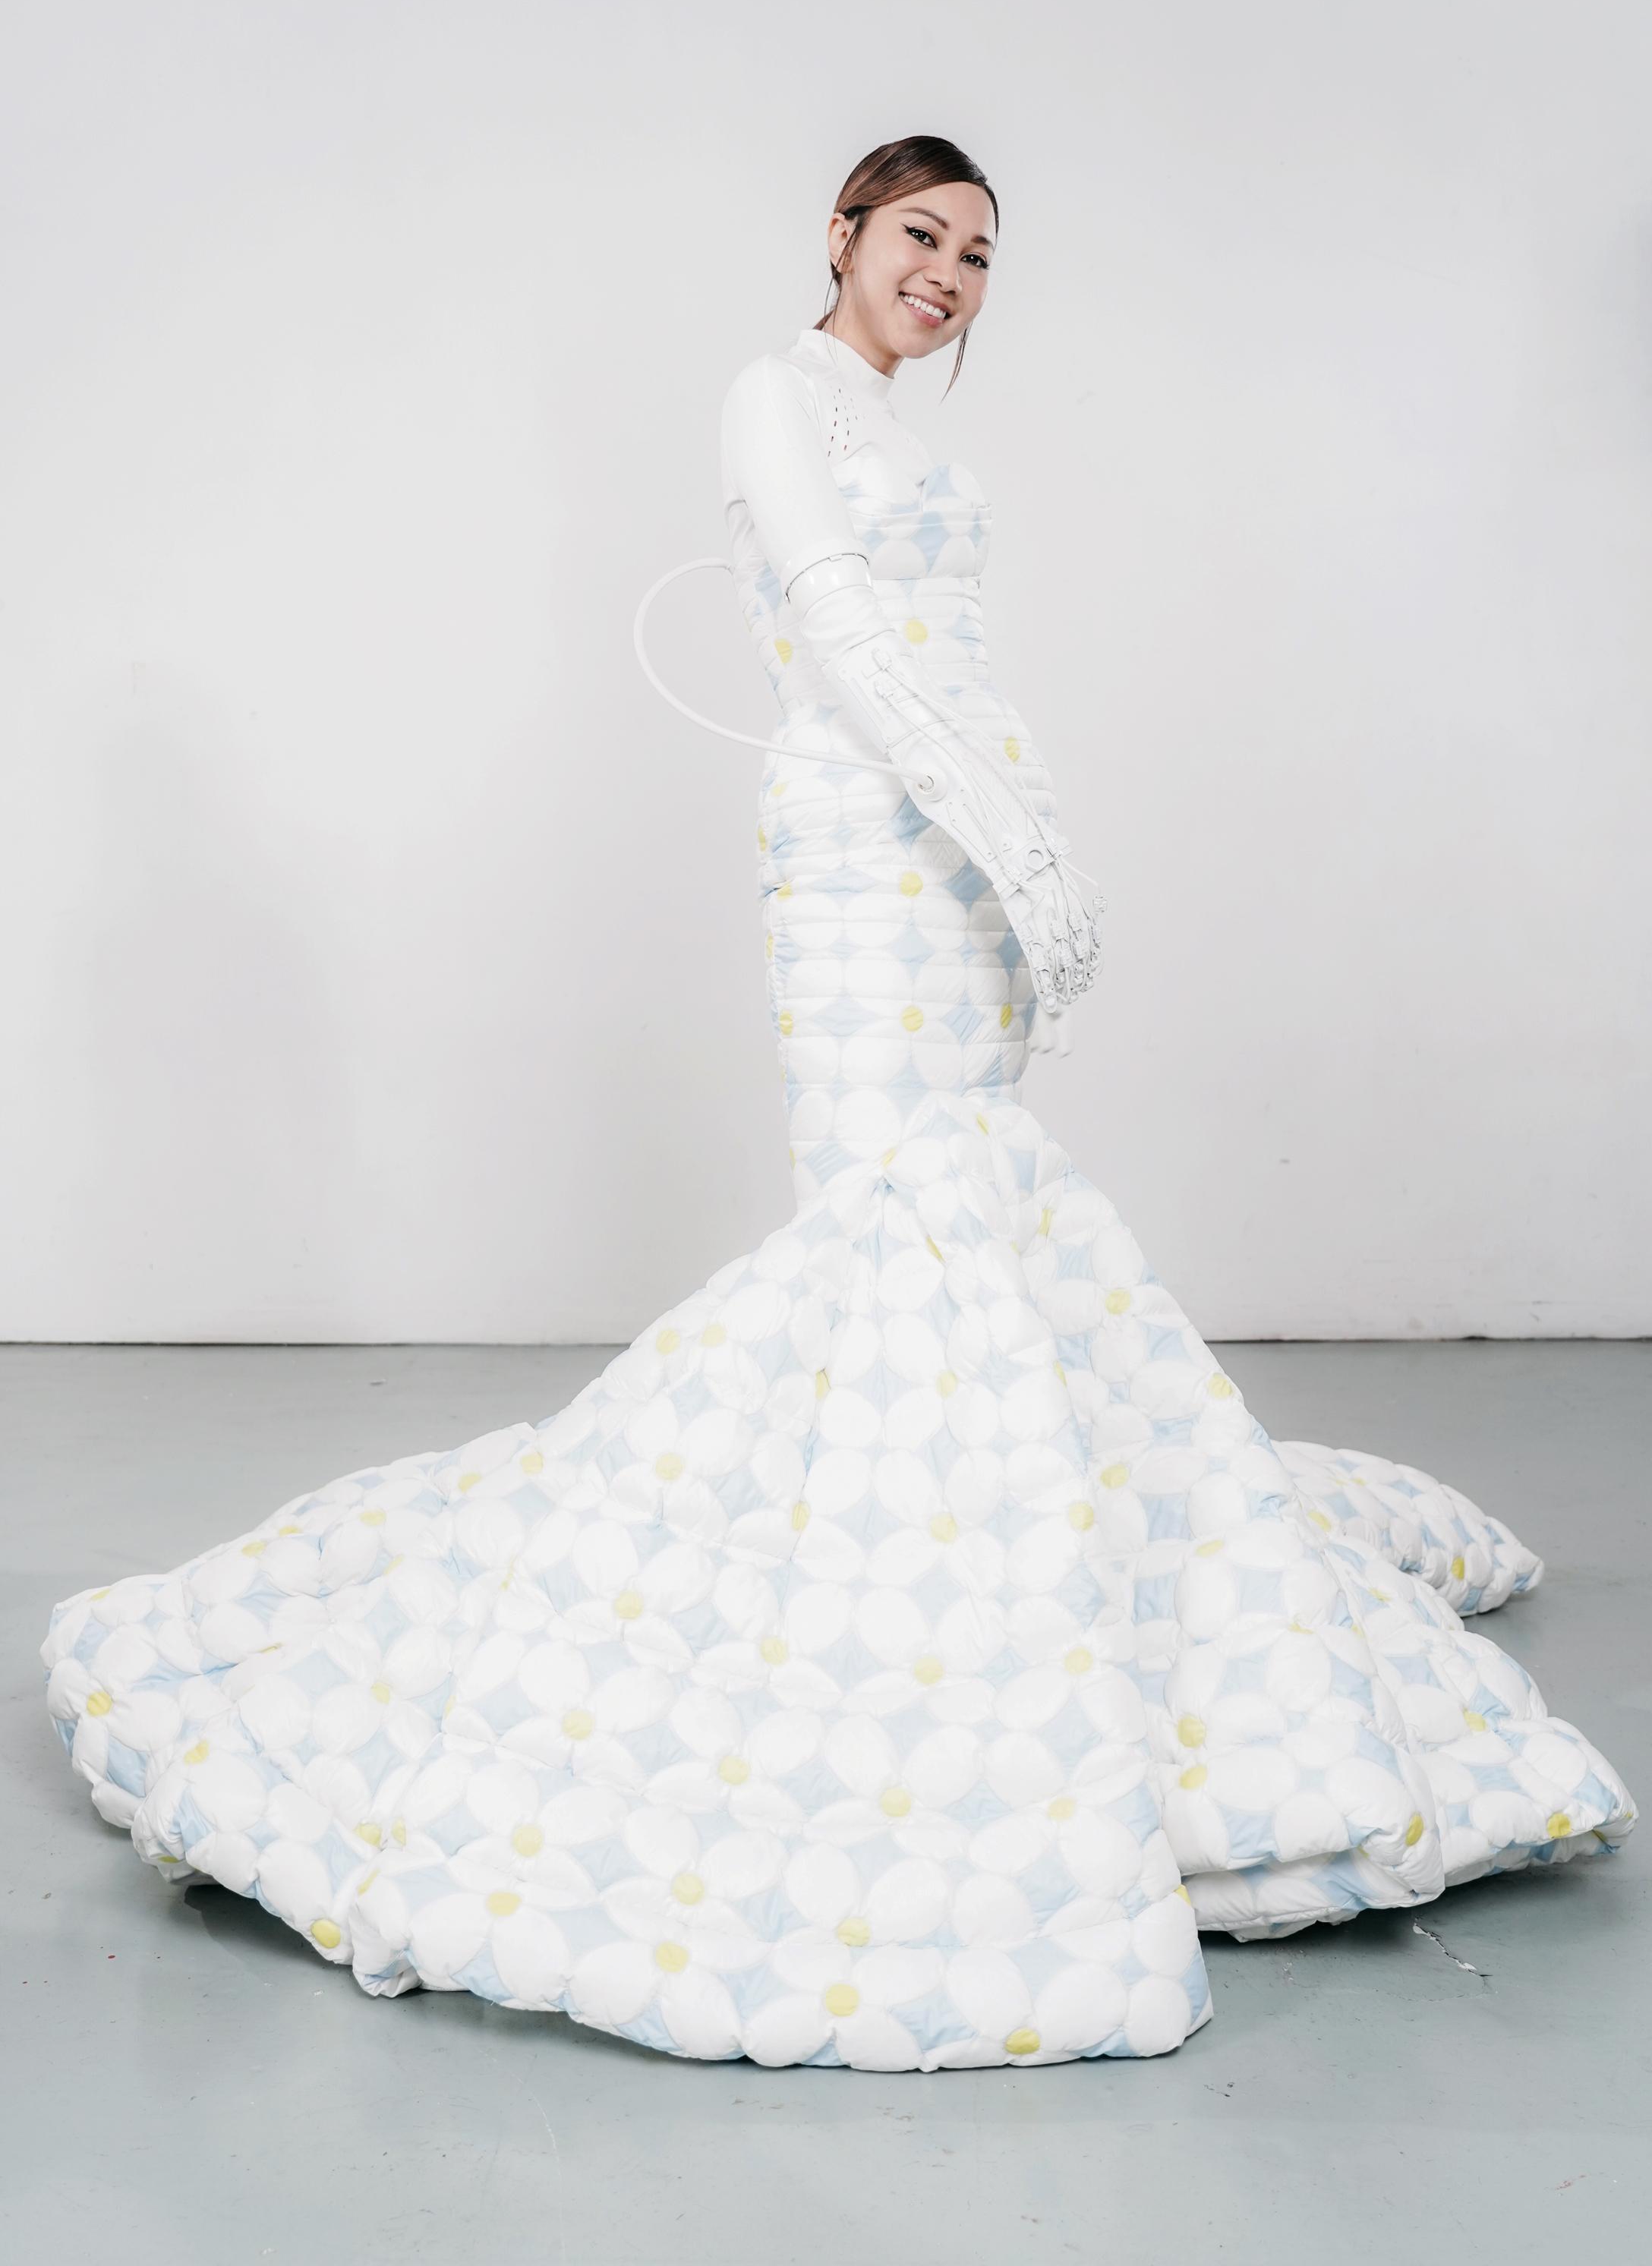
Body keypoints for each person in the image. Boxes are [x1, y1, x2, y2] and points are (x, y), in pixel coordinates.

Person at [43, 135, 1633, 2073]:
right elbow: (846, 634)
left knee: (970, 1196)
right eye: (918, 235)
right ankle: (870, 1583)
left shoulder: (902, 426)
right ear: (842, 234)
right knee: (899, 1207)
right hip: (869, 838)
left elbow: (946, 647)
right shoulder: (773, 394)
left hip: (958, 840)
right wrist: (1006, 840)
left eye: (977, 253)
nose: (947, 272)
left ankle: (973, 1532)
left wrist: (1024, 849)